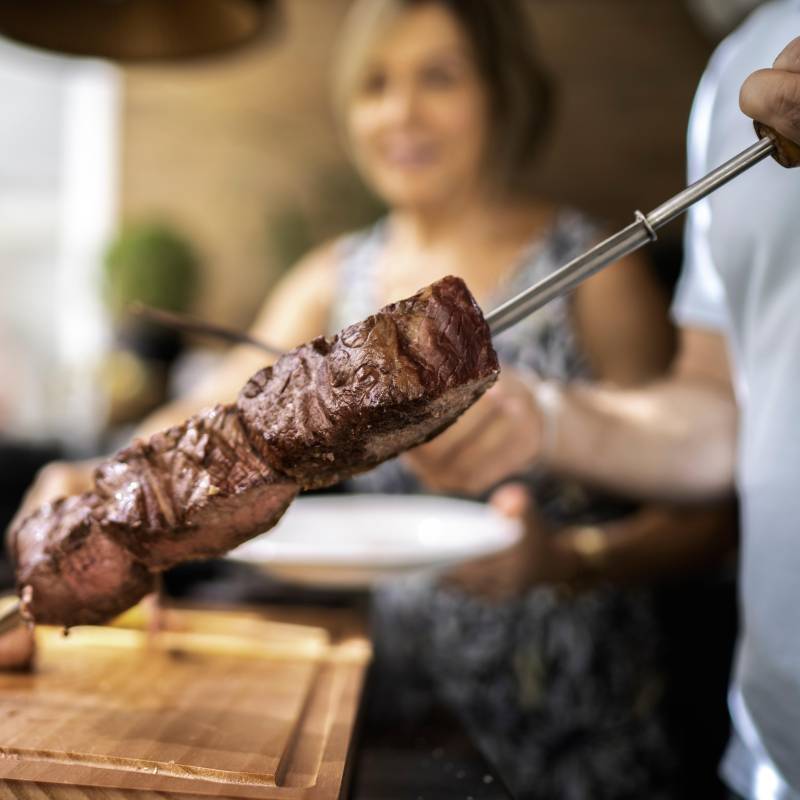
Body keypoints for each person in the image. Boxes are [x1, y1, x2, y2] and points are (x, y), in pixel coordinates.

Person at [14, 1, 736, 797]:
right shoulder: (334, 276)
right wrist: (102, 479)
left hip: (572, 723)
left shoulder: (591, 272)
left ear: (501, 94)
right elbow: (212, 421)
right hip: (374, 707)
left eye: (439, 77)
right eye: (375, 84)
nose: (401, 113)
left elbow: (705, 516)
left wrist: (567, 559)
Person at [407, 5, 800, 798]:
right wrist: (546, 420)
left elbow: (700, 532)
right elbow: (725, 417)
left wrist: (572, 560)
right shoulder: (738, 69)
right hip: (771, 755)